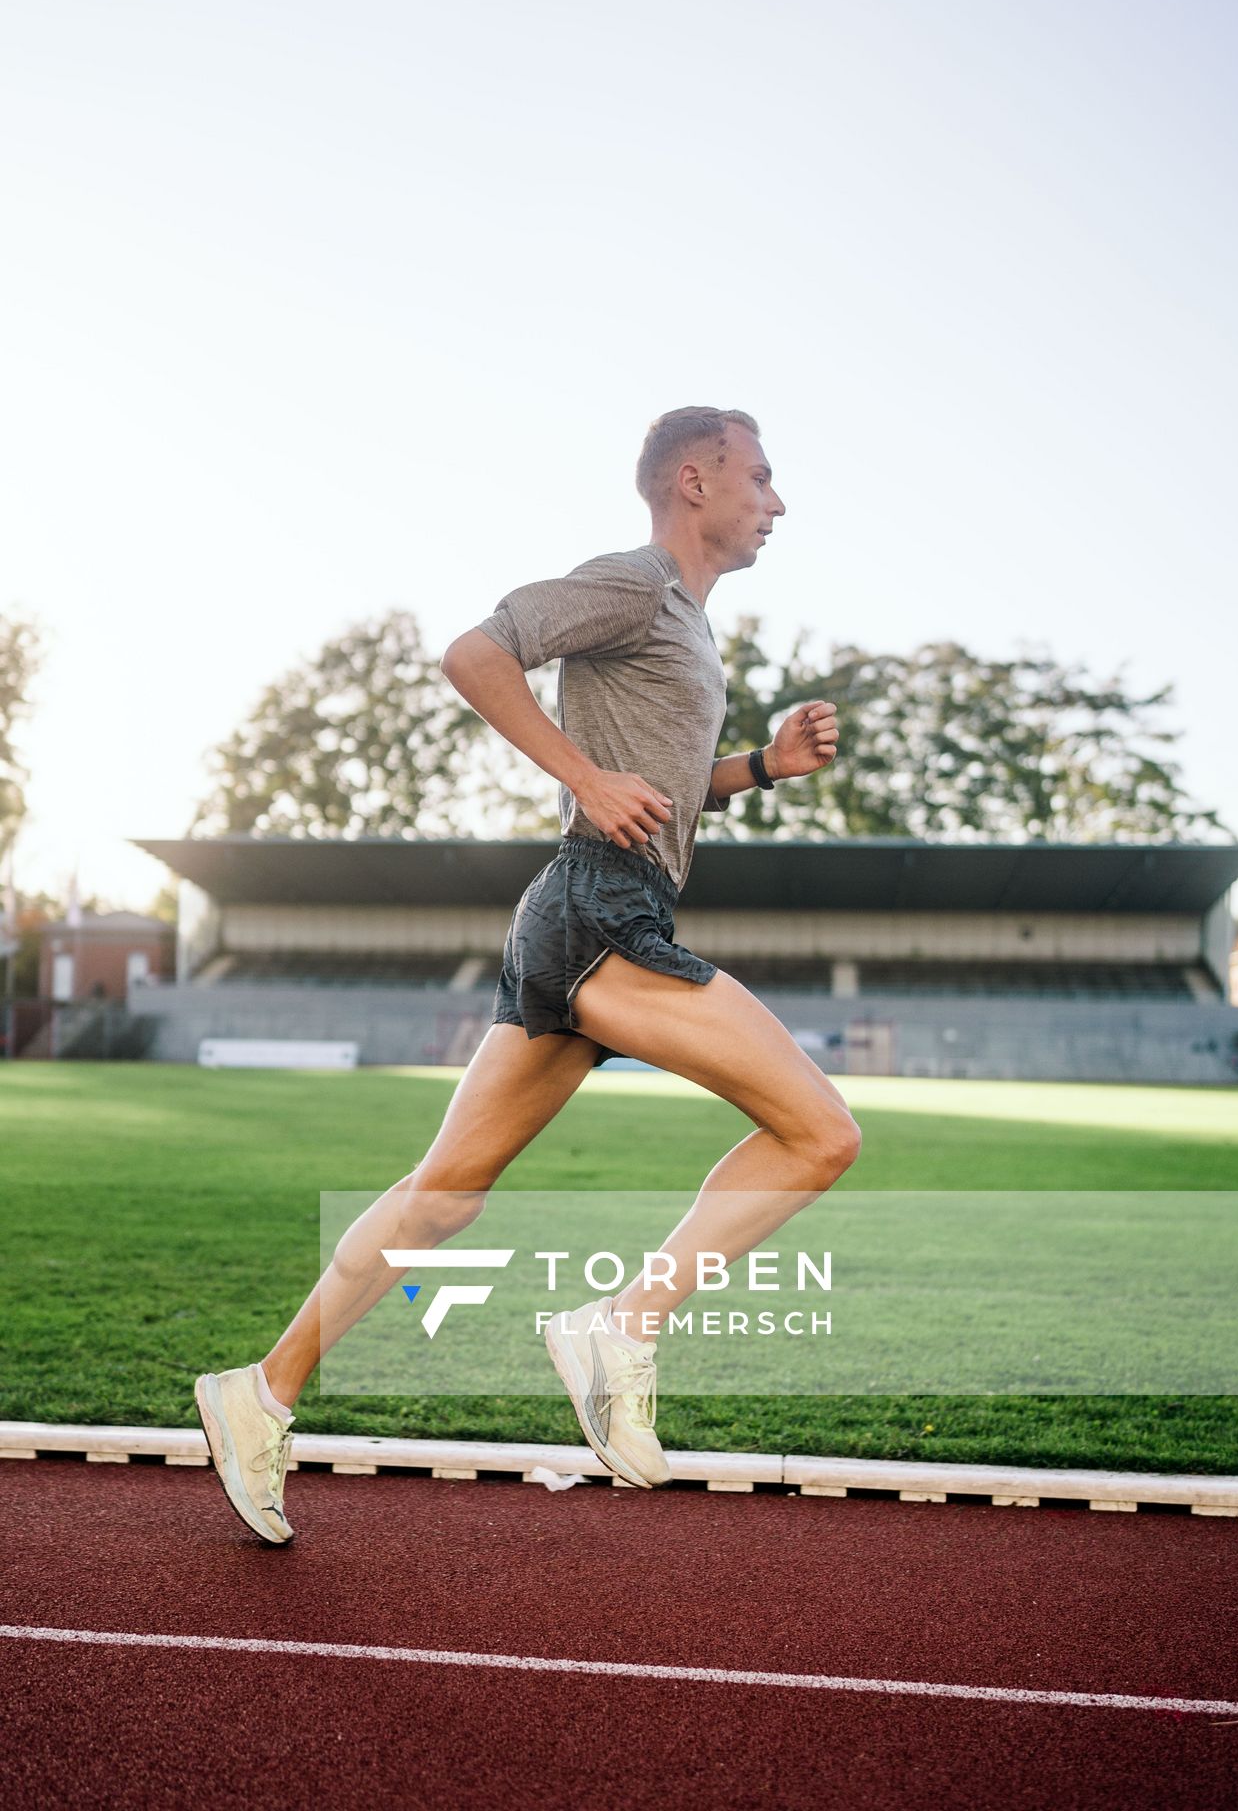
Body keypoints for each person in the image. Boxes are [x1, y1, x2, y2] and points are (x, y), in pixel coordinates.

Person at [195, 406, 861, 1543]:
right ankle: (621, 1323)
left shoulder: (689, 628)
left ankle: (256, 1395)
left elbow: (667, 782)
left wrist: (756, 767)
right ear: (692, 481)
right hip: (597, 904)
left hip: (588, 913)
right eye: (762, 476)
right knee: (820, 1133)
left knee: (444, 1194)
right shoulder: (635, 583)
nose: (778, 500)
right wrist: (585, 778)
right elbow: (475, 654)